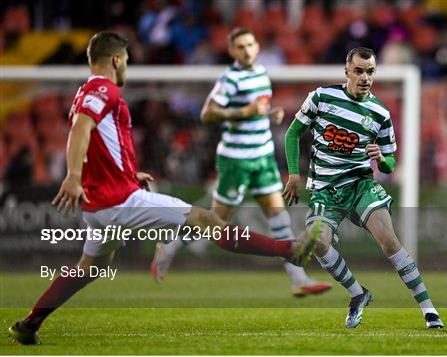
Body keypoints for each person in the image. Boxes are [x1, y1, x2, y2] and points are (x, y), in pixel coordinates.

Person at [8, 32, 318, 345]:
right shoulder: (103, 88)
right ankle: (288, 250)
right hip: (118, 202)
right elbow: (80, 129)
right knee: (207, 220)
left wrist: (128, 173)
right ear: (116, 59)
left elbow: (98, 141)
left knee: (89, 269)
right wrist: (73, 175)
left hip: (102, 204)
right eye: (126, 59)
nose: (127, 65)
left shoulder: (86, 91)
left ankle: (30, 323)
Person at [151, 27, 331, 298]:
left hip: (262, 157)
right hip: (236, 161)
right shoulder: (230, 78)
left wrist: (268, 116)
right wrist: (246, 111)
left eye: (250, 45)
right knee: (215, 221)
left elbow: (253, 113)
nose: (247, 50)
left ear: (257, 47)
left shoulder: (260, 74)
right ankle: (170, 247)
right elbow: (208, 113)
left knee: (278, 215)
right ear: (233, 51)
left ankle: (299, 279)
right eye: (240, 47)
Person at [282, 46, 444, 329]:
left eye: (370, 72)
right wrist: (294, 175)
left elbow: (391, 163)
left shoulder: (380, 113)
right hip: (324, 190)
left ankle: (429, 311)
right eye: (358, 71)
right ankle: (358, 293)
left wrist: (383, 159)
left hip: (360, 185)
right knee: (316, 241)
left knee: (389, 239)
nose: (365, 77)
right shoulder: (322, 98)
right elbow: (293, 132)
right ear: (347, 72)